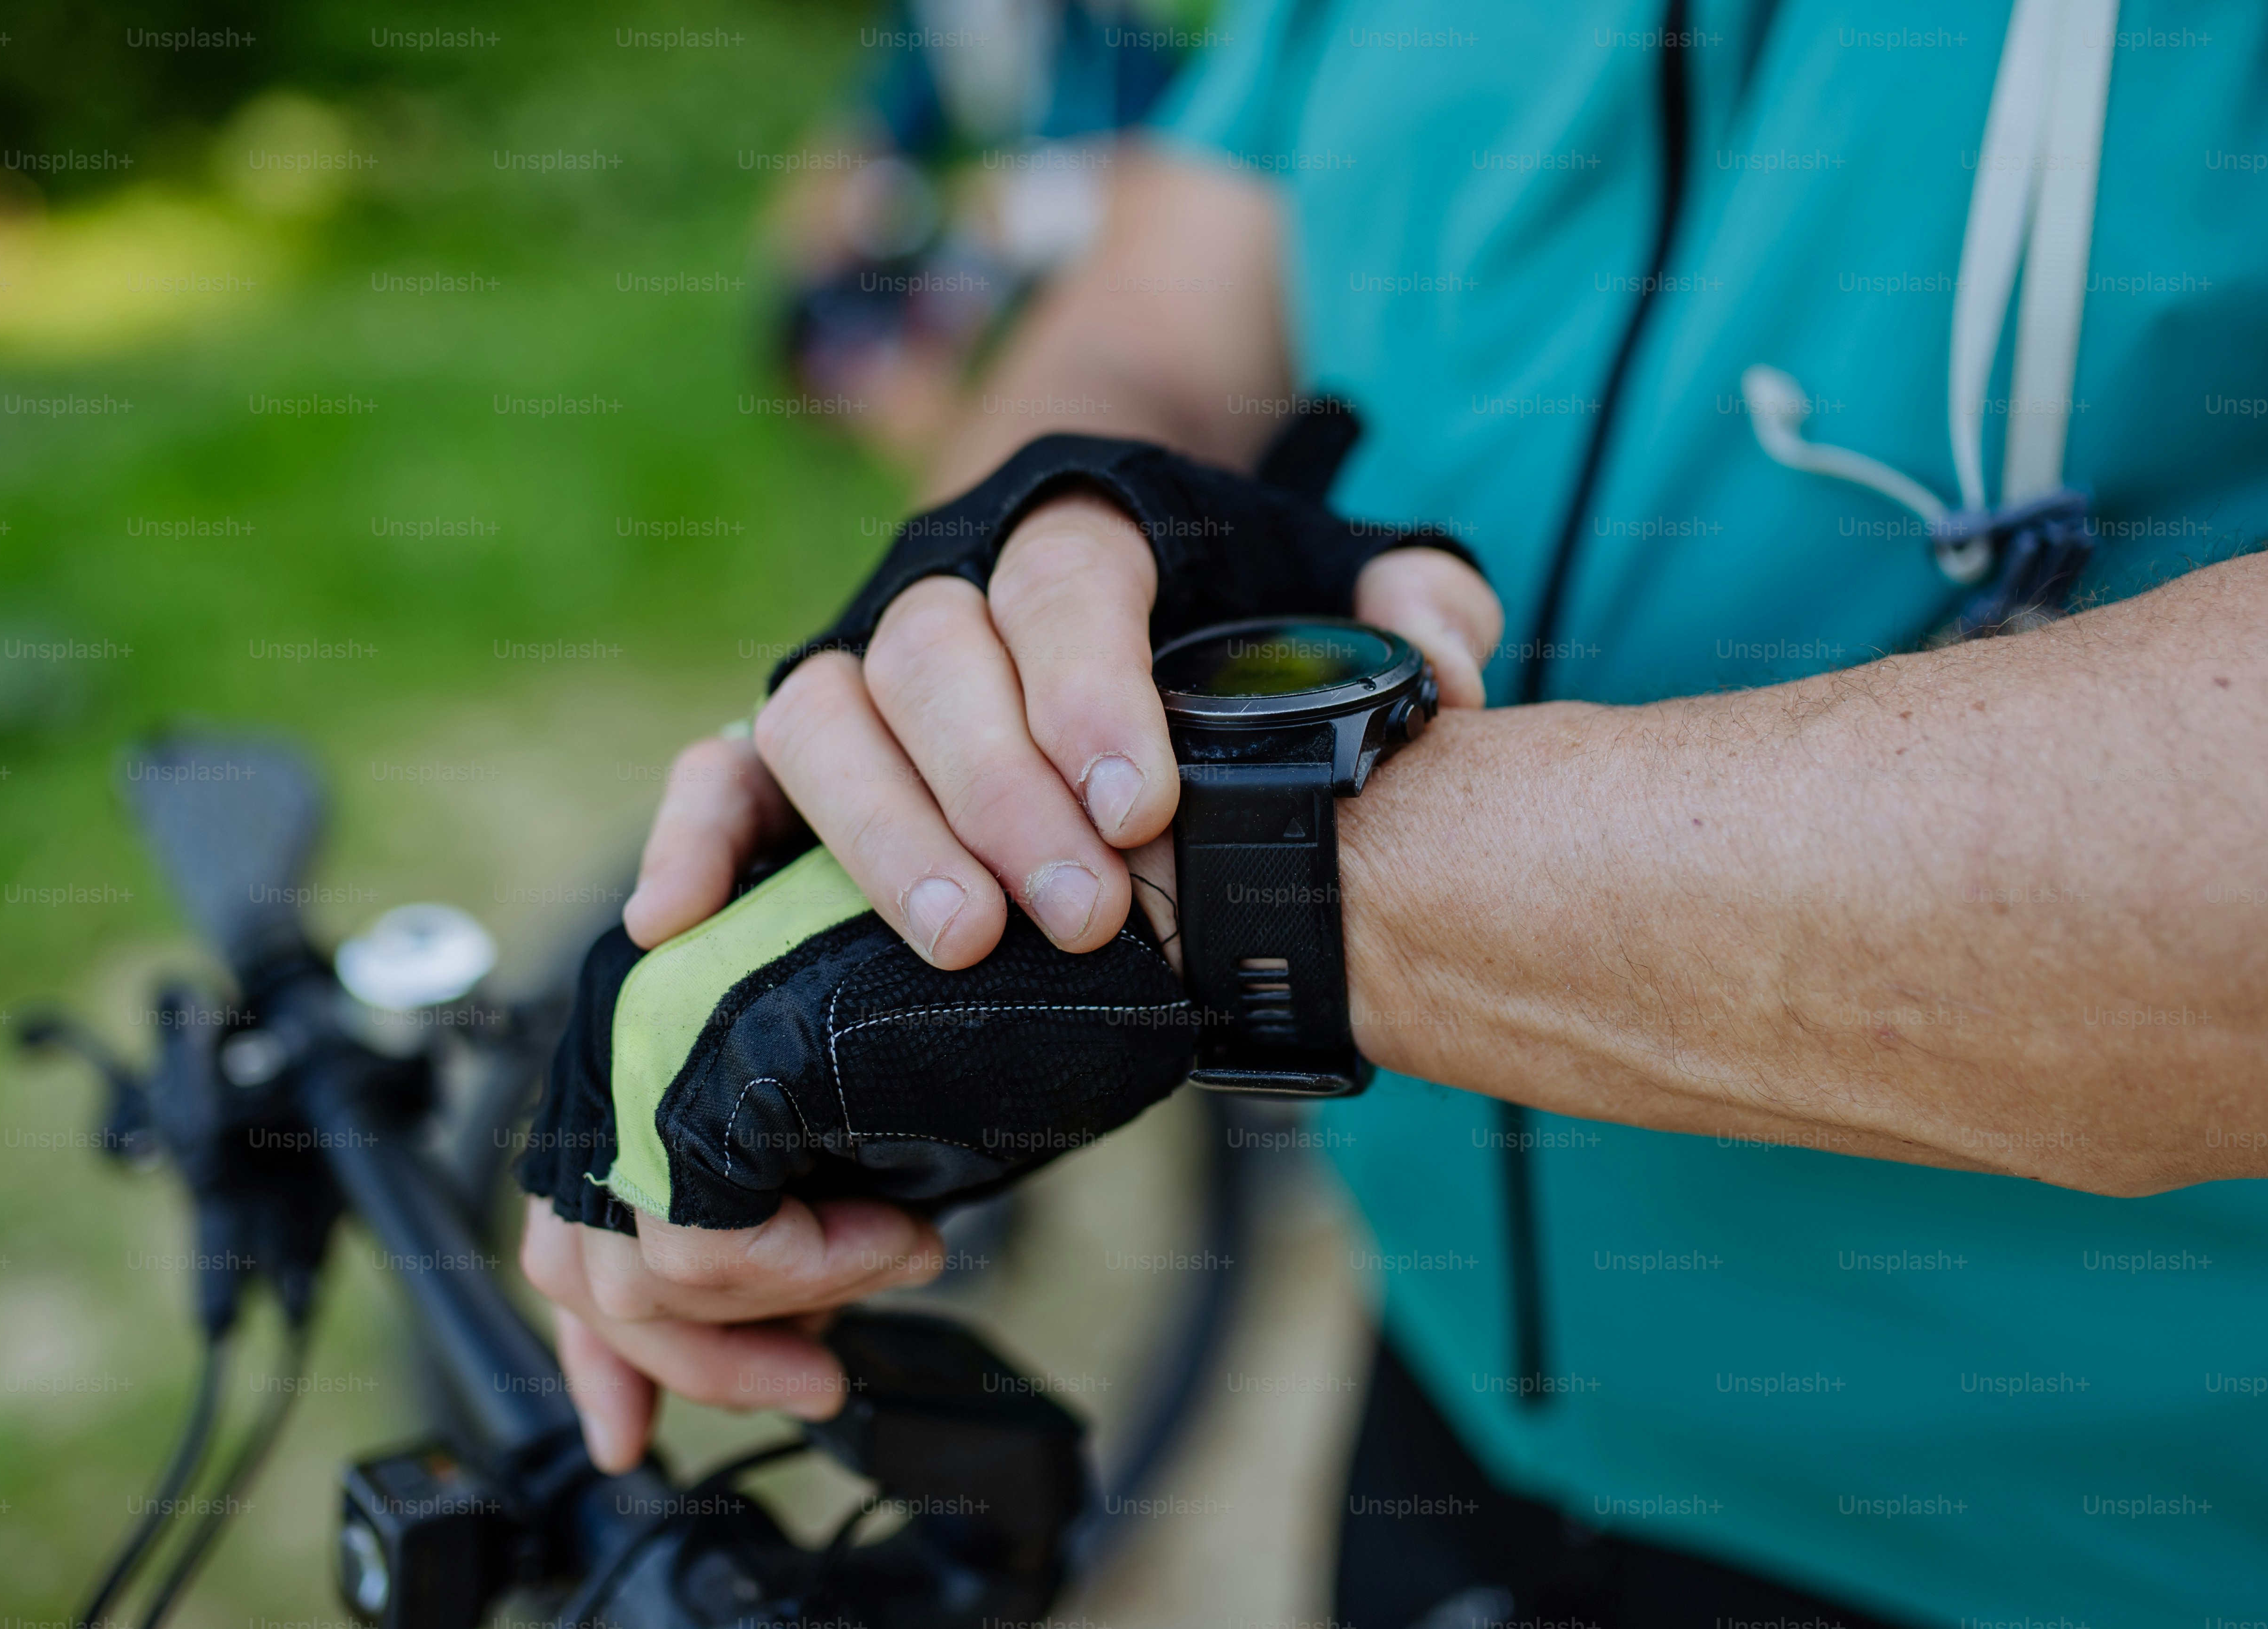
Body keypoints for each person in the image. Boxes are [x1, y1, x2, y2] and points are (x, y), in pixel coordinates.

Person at [521, 4, 2268, 1625]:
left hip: (2118, 1547)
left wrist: (1227, 889)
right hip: (1469, 1427)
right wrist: (1024, 559)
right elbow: (1156, 318)